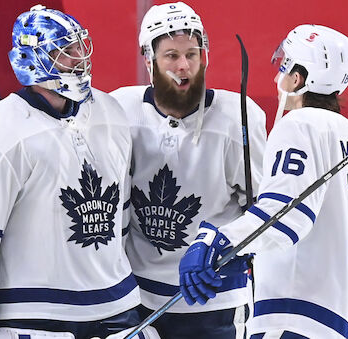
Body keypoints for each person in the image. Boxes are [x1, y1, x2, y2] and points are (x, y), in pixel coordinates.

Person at [0, 5, 163, 339]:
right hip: (35, 318)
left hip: (117, 310)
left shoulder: (110, 113)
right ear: (32, 60)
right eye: (64, 51)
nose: (78, 58)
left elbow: (119, 223)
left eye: (79, 46)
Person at [178, 24, 348, 339]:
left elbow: (286, 216)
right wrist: (254, 251)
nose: (276, 77)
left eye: (283, 66)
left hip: (294, 321)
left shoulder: (299, 125)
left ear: (298, 79)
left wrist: (219, 241)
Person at [110, 2, 267, 338]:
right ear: (149, 60)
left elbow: (263, 208)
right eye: (171, 56)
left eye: (191, 55)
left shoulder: (237, 116)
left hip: (215, 297)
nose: (183, 67)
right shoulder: (120, 110)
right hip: (137, 298)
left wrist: (227, 244)